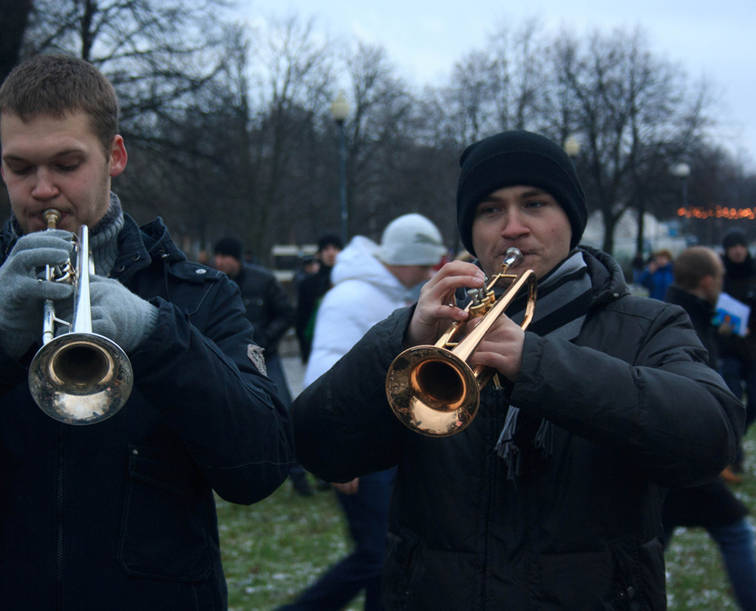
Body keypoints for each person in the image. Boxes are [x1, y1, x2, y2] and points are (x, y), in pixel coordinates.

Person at [0, 54, 293, 609]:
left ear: (114, 156)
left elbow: (261, 467)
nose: (42, 190)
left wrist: (158, 336)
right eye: (20, 168)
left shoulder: (197, 294)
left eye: (66, 163)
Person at [292, 130, 743, 609]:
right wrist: (399, 343)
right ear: (471, 231)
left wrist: (538, 363)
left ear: (570, 217)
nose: (512, 227)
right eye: (490, 210)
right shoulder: (430, 331)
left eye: (534, 204)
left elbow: (710, 438)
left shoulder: (648, 325)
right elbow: (319, 448)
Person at [279, 214, 446, 611]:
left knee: (386, 557)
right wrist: (338, 455)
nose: (427, 272)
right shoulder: (352, 296)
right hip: (359, 451)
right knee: (374, 555)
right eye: (423, 264)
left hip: (380, 447)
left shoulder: (391, 293)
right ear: (403, 257)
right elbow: (324, 370)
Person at [661, 245, 756, 610]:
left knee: (647, 539)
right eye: (718, 277)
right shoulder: (683, 322)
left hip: (672, 459)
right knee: (734, 529)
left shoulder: (694, 314)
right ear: (706, 281)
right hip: (681, 458)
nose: (721, 283)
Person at [212, 236, 308, 495]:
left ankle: (298, 472)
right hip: (226, 359)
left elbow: (286, 313)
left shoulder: (263, 281)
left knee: (283, 410)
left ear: (237, 257)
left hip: (266, 357)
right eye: (216, 256)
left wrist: (265, 338)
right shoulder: (212, 283)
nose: (219, 262)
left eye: (224, 257)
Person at [718, 230, 756, 478]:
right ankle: (735, 457)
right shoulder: (719, 275)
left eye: (741, 245)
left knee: (754, 400)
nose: (738, 250)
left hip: (754, 348)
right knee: (732, 402)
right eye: (733, 247)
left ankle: (738, 437)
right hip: (728, 347)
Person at [295, 234, 343, 364]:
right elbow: (301, 319)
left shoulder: (348, 282)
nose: (331, 253)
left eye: (335, 248)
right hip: (317, 346)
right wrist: (305, 351)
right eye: (326, 249)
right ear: (319, 254)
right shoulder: (308, 284)